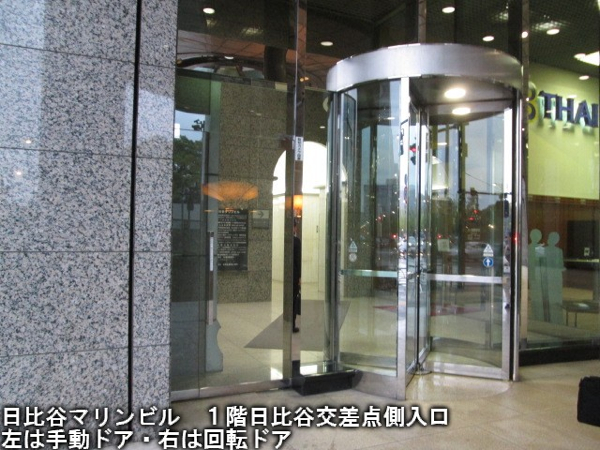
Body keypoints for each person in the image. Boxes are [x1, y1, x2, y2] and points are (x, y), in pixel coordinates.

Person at [293, 219, 301, 333]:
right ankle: (292, 324)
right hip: (294, 275)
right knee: (294, 299)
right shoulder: (296, 241)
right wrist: (299, 276)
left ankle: (287, 322)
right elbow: (298, 260)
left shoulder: (286, 241)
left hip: (288, 274)